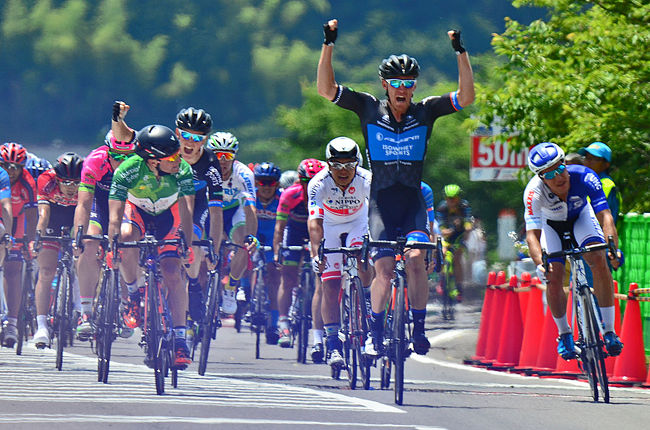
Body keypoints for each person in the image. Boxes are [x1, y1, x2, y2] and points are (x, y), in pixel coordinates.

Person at [317, 19, 475, 356]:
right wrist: (328, 44)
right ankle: (374, 333)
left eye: (408, 82)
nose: (401, 88)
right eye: (395, 82)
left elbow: (466, 97)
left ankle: (418, 329)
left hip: (412, 202)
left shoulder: (426, 111)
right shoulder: (369, 108)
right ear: (385, 84)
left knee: (416, 259)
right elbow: (326, 90)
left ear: (414, 86)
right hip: (380, 205)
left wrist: (460, 52)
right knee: (384, 269)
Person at [524, 142, 623, 360]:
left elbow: (605, 216)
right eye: (550, 174)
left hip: (581, 218)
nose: (559, 177)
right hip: (553, 227)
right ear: (541, 178)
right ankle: (565, 334)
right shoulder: (533, 193)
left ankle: (609, 331)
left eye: (561, 168)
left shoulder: (585, 176)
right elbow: (532, 235)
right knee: (553, 274)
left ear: (566, 165)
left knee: (598, 259)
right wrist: (541, 263)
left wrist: (612, 248)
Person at [108, 123, 195, 368]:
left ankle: (179, 339)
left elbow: (187, 210)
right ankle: (134, 291)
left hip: (170, 213)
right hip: (138, 212)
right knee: (125, 237)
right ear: (154, 160)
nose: (180, 159)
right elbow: (115, 215)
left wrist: (185, 245)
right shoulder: (128, 170)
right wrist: (113, 244)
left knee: (171, 272)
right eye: (173, 156)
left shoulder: (182, 170)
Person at [308, 137, 372, 370]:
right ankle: (333, 342)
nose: (343, 170)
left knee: (362, 257)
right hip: (330, 225)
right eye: (336, 165)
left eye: (348, 164)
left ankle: (365, 298)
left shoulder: (367, 179)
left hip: (358, 222)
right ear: (328, 164)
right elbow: (315, 223)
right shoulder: (317, 183)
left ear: (358, 163)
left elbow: (377, 212)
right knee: (330, 284)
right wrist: (317, 255)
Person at [73, 125, 137, 341]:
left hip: (127, 204)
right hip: (98, 206)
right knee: (89, 243)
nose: (121, 161)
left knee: (126, 243)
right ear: (107, 150)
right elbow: (83, 203)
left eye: (127, 156)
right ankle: (86, 311)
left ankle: (127, 305)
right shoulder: (95, 160)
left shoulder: (139, 164)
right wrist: (79, 236)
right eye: (116, 155)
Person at [174, 107, 224, 327]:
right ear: (177, 133)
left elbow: (216, 211)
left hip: (198, 206)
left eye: (197, 138)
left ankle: (193, 283)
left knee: (193, 242)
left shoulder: (211, 164)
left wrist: (213, 247)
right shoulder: (167, 151)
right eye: (185, 135)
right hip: (169, 202)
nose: (190, 142)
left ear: (205, 140)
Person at [33, 152, 84, 347]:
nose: (71, 188)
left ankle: (82, 313)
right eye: (66, 182)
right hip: (54, 217)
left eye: (75, 183)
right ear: (57, 179)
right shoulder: (46, 179)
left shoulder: (87, 181)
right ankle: (42, 325)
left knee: (82, 260)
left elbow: (86, 211)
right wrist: (39, 234)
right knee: (46, 271)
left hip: (77, 216)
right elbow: (43, 214)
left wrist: (80, 238)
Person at [274, 159, 325, 353]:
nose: (311, 184)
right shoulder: (290, 194)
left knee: (321, 273)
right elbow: (280, 227)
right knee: (288, 277)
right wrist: (278, 250)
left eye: (316, 180)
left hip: (318, 230)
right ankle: (283, 322)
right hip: (294, 231)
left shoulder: (326, 194)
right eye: (306, 180)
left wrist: (317, 254)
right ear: (299, 181)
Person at [204, 132, 257, 315]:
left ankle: (231, 288)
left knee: (243, 241)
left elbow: (250, 208)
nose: (223, 160)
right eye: (218, 155)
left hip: (233, 211)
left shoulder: (243, 173)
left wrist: (252, 238)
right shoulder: (203, 169)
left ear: (234, 156)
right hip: (209, 211)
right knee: (201, 252)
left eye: (228, 155)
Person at [0, 143, 35, 348]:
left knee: (13, 269)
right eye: (6, 165)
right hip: (2, 221)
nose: (11, 171)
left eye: (16, 166)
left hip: (16, 222)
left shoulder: (28, 182)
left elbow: (32, 215)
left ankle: (12, 322)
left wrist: (29, 242)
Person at [253, 162, 283, 344]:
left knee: (274, 276)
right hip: (254, 237)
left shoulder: (281, 200)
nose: (266, 187)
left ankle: (274, 324)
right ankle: (244, 293)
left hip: (274, 241)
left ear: (277, 184)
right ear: (256, 183)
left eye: (270, 183)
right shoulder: (250, 198)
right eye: (262, 182)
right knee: (245, 261)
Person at [436, 184, 473, 298]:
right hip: (447, 235)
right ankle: (442, 280)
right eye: (448, 198)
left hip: (459, 235)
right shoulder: (442, 207)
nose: (451, 201)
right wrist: (446, 231)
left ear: (458, 198)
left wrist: (467, 226)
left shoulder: (464, 205)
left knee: (457, 259)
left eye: (454, 198)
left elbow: (468, 222)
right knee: (443, 253)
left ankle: (459, 287)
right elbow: (441, 227)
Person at [579, 142, 621, 224]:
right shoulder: (582, 181)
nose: (588, 162)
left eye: (593, 159)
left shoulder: (607, 185)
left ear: (606, 164)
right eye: (586, 158)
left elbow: (608, 220)